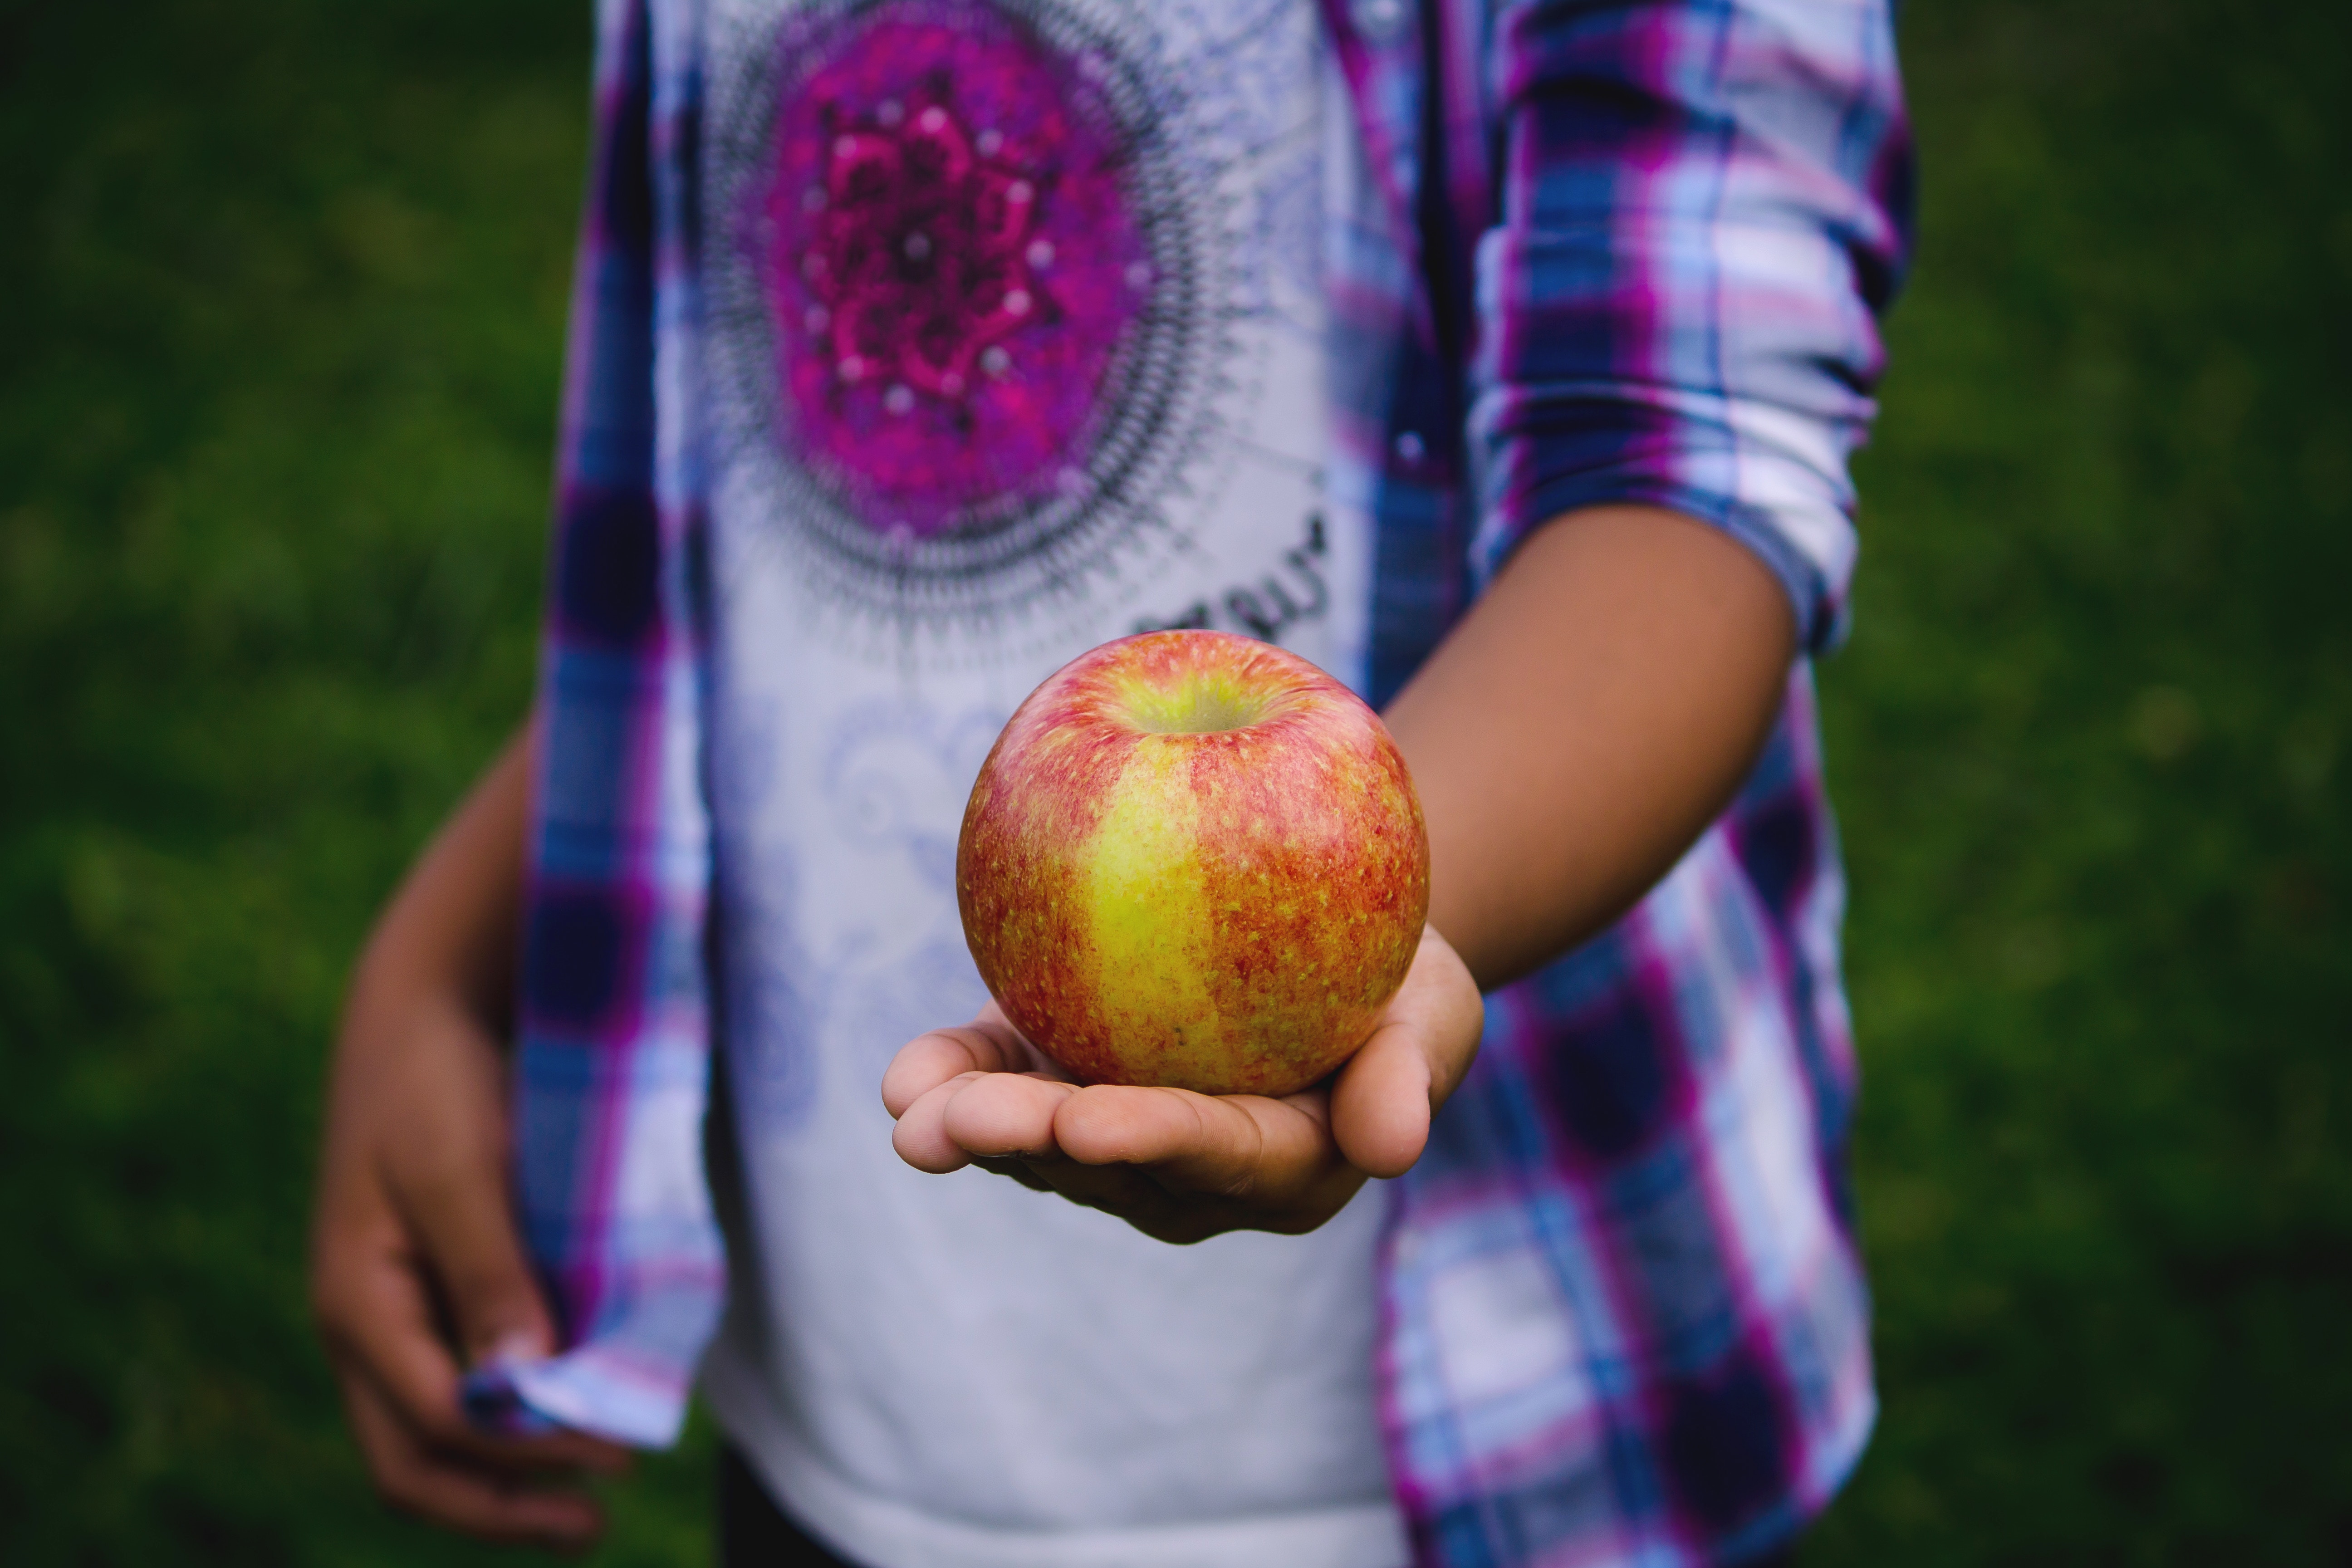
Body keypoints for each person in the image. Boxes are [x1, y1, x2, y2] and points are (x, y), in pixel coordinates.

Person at [309, 0, 1911, 1563]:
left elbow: (1683, 463)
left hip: (1478, 1395)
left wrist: (1381, 935)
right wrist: (442, 953)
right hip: (855, 1359)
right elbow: (756, 497)